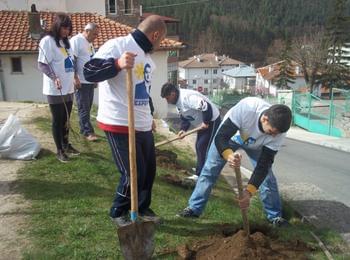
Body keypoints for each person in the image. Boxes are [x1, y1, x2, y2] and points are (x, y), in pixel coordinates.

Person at [83, 15, 167, 227]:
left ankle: (142, 207)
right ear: (155, 35)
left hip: (143, 124)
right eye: (160, 40)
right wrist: (117, 64)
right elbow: (89, 71)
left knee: (148, 171)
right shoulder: (117, 45)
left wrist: (149, 116)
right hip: (119, 122)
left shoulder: (147, 58)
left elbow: (144, 91)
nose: (159, 45)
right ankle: (118, 211)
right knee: (132, 173)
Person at [177, 97, 292, 227]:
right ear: (264, 119)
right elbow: (221, 137)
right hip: (230, 138)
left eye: (276, 134)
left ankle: (274, 217)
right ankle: (194, 209)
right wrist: (228, 155)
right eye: (271, 132)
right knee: (209, 170)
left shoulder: (278, 133)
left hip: (257, 146)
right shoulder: (247, 108)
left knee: (268, 178)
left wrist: (248, 193)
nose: (273, 136)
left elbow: (263, 166)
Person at [38, 13, 80, 163]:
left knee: (67, 119)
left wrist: (75, 77)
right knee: (58, 119)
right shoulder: (48, 41)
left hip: (68, 87)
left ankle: (66, 144)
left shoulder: (66, 42)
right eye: (64, 28)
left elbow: (71, 61)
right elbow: (42, 64)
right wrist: (54, 77)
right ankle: (59, 151)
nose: (66, 31)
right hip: (55, 89)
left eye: (68, 29)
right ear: (57, 26)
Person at [160, 83, 221, 183]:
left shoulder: (187, 97)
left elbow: (206, 107)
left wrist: (206, 122)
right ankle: (200, 169)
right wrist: (183, 129)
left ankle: (202, 175)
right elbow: (185, 117)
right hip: (202, 123)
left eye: (167, 98)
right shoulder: (177, 103)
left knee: (203, 146)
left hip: (212, 120)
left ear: (173, 94)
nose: (167, 101)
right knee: (198, 146)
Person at [70, 23, 99, 141]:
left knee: (88, 107)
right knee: (83, 106)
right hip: (81, 80)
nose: (96, 36)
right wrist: (75, 77)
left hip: (89, 80)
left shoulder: (89, 43)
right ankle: (88, 132)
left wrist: (95, 78)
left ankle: (84, 128)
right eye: (94, 34)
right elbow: (72, 60)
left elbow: (92, 59)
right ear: (87, 31)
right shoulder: (76, 41)